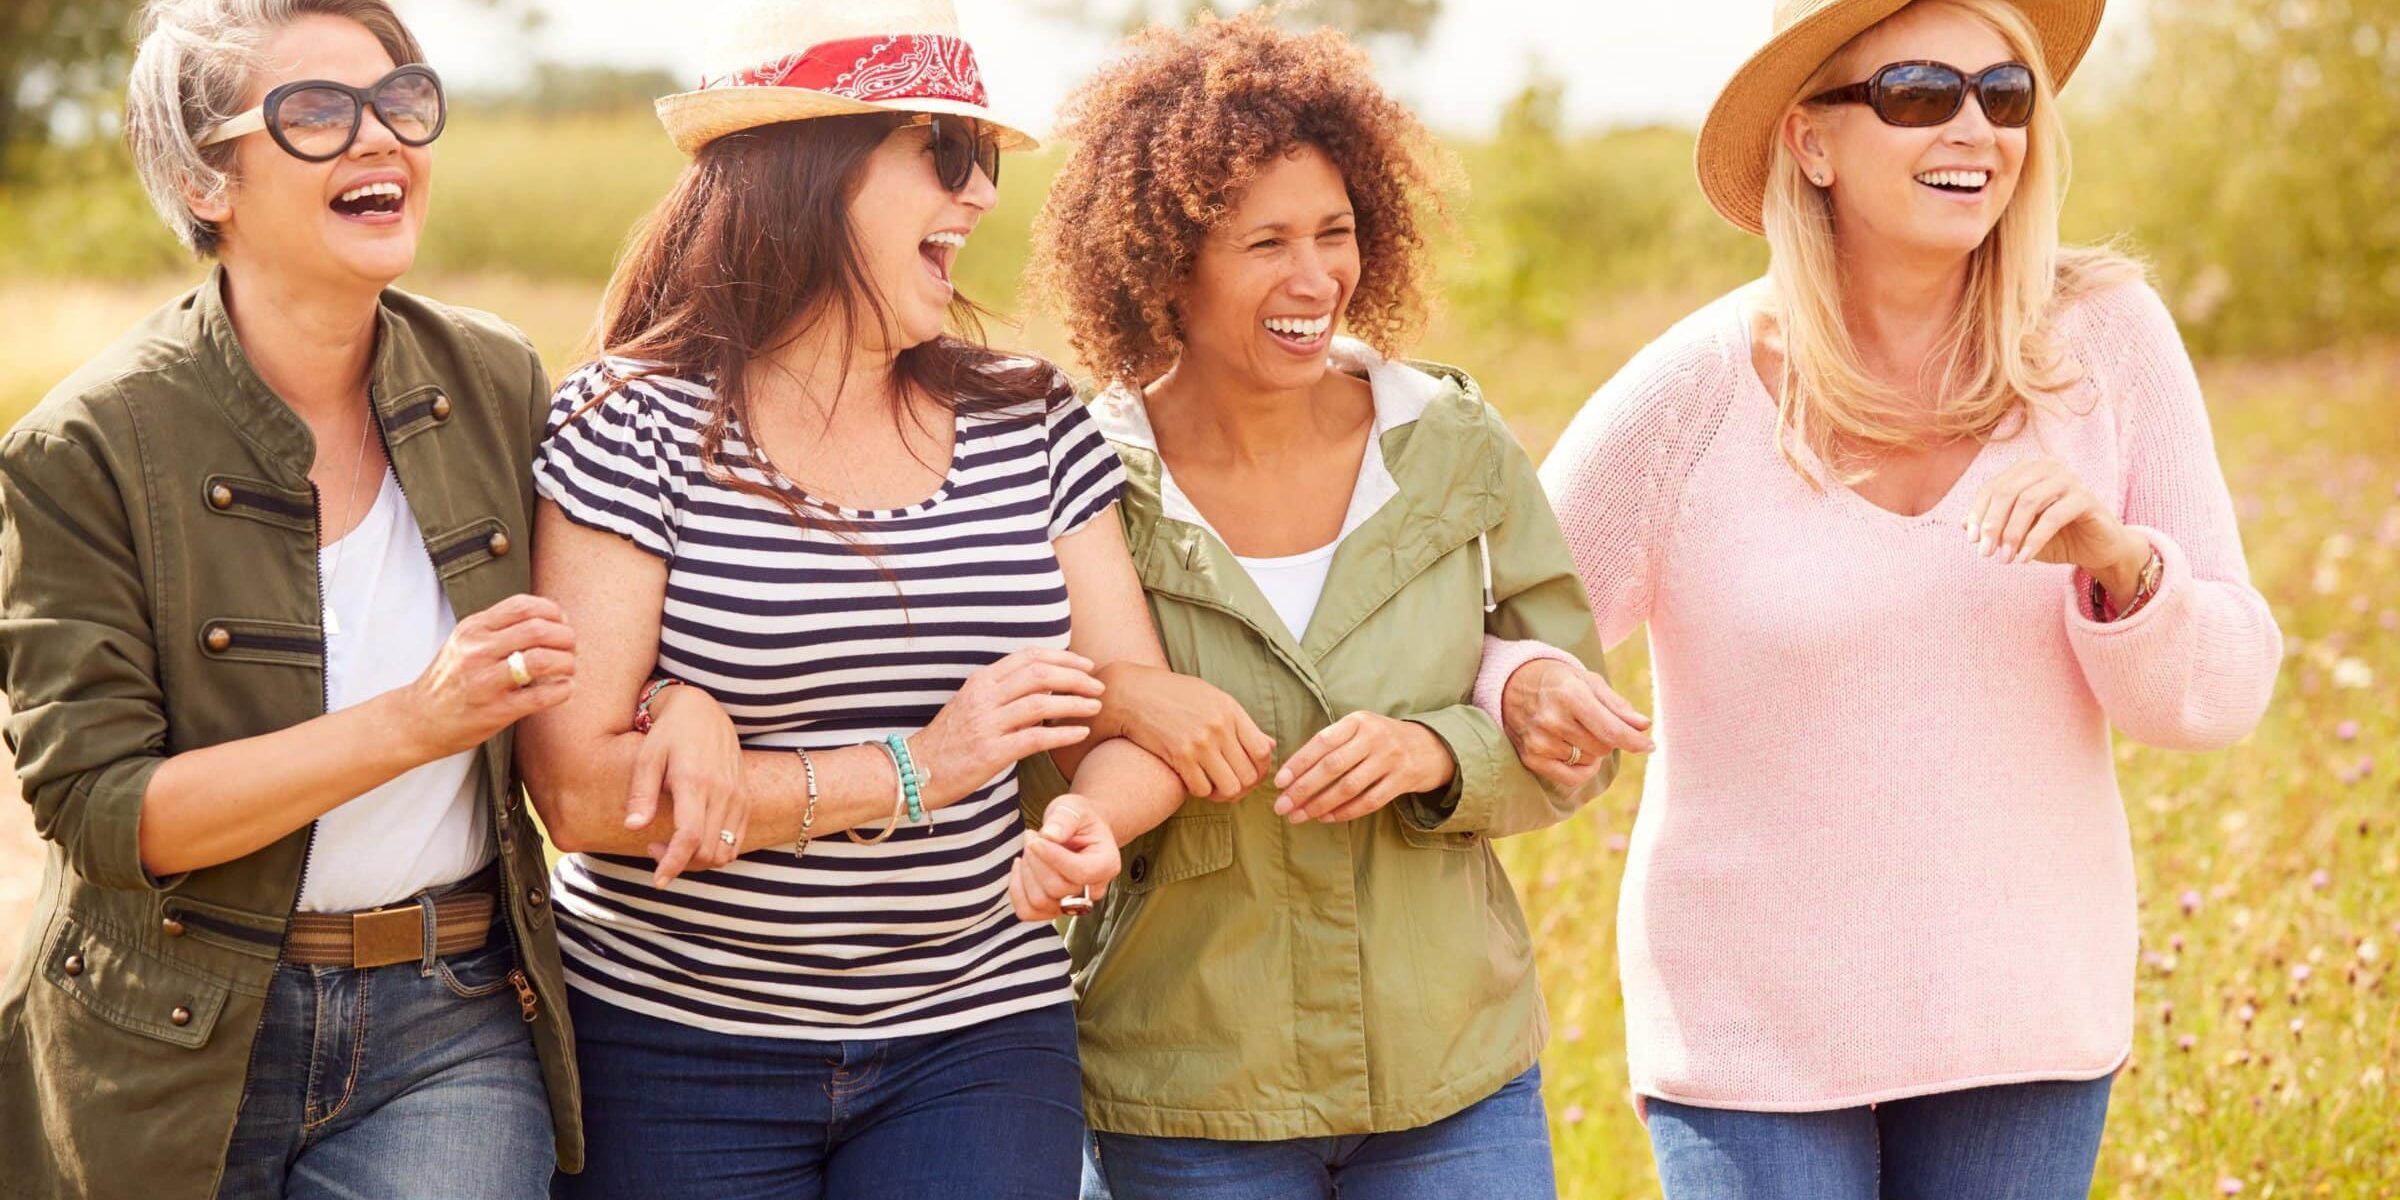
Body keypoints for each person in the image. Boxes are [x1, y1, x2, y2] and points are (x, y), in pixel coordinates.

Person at [1500, 0, 2285, 1194]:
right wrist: (1529, 686)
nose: (1975, 126)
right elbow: (1494, 626)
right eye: (1920, 92)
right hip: (1749, 1040)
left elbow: (2221, 695)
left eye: (2003, 95)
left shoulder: (2106, 343)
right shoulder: (1690, 394)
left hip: (2025, 1022)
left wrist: (2119, 564)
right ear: (1811, 142)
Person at [0, 0, 698, 1194]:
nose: (380, 139)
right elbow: (108, 812)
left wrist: (688, 703)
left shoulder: (497, 380)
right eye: (315, 113)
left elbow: (612, 635)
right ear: (199, 176)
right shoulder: (84, 447)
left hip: (453, 1019)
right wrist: (410, 724)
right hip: (168, 1039)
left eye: (401, 101)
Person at [515, 3, 1186, 1197]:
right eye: (943, 153)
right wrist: (915, 767)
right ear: (808, 173)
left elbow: (1123, 716)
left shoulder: (1032, 417)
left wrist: (1100, 820)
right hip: (670, 1045)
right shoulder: (631, 421)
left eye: (982, 162)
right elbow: (577, 792)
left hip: (979, 1032)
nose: (979, 195)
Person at [1023, 15, 1643, 1197]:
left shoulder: (1451, 443)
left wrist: (1439, 752)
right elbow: (1048, 763)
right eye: (1265, 243)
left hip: (1453, 1074)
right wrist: (1116, 730)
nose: (1315, 279)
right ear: (1163, 264)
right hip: (1189, 1086)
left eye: (1335, 232)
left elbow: (1572, 736)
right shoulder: (1080, 479)